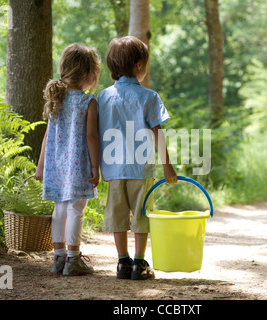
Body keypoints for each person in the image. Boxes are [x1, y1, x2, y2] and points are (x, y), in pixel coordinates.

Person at [97, 36, 177, 280]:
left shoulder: (102, 97)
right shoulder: (149, 97)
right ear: (139, 64)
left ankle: (122, 262)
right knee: (142, 215)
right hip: (141, 169)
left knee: (117, 215)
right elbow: (158, 134)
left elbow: (93, 134)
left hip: (112, 169)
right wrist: (168, 167)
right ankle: (140, 264)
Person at [34, 43, 101, 276]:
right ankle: (73, 259)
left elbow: (46, 137)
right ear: (87, 74)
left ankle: (58, 259)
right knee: (76, 210)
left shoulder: (56, 99)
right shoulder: (87, 102)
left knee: (59, 210)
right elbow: (91, 136)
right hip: (78, 166)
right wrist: (95, 166)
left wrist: (40, 166)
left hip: (56, 166)